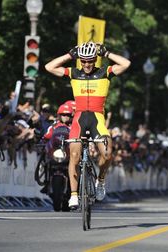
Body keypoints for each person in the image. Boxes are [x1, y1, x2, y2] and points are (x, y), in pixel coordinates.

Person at [45, 41, 131, 208]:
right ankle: (74, 195)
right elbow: (49, 67)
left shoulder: (105, 72)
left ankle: (101, 180)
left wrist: (106, 53)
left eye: (90, 60)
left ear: (95, 60)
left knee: (107, 153)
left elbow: (126, 63)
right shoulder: (74, 73)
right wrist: (70, 55)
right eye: (83, 60)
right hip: (79, 119)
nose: (86, 64)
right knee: (75, 156)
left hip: (97, 118)